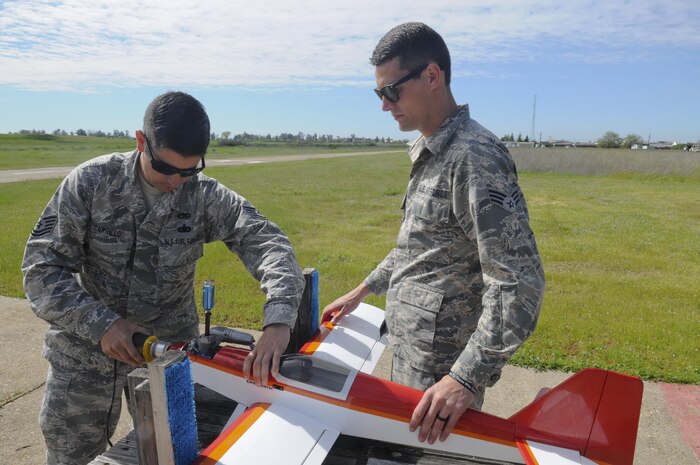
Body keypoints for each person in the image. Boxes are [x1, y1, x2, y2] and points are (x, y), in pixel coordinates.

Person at [22, 91, 305, 465]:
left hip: (166, 359)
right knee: (70, 457)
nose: (176, 182)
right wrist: (103, 326)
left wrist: (279, 319)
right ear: (141, 142)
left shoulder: (203, 196)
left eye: (189, 171)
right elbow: (41, 270)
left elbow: (268, 242)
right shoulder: (91, 183)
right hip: (84, 357)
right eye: (166, 168)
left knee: (175, 454)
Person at [323, 23, 545, 446]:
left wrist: (464, 377)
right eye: (379, 94)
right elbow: (419, 248)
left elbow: (519, 282)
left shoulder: (473, 158)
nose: (385, 106)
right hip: (415, 355)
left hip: (441, 377)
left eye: (392, 91)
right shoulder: (434, 151)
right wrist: (363, 289)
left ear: (431, 76)